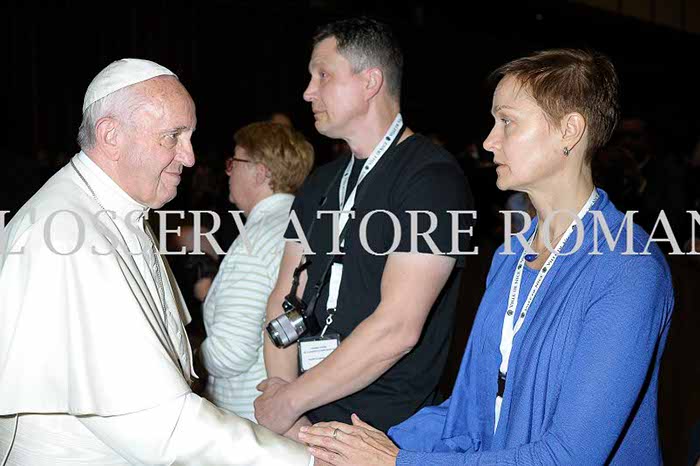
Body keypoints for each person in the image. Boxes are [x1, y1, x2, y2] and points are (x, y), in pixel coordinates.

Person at [299, 49, 674, 465]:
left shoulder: (628, 270)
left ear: (570, 131)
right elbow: (469, 420)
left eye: (508, 122)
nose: (490, 141)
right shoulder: (513, 253)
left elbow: (570, 456)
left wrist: (397, 462)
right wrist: (341, 442)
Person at [0, 58, 314, 465]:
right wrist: (305, 460)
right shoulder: (65, 233)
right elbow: (159, 424)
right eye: (173, 136)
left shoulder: (118, 211)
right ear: (110, 134)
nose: (189, 157)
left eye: (190, 136)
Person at [256, 16, 473, 439]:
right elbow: (282, 298)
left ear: (370, 82)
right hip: (306, 418)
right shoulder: (321, 182)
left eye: (322, 75)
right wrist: (287, 400)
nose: (308, 92)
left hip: (383, 434)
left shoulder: (432, 180)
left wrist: (288, 402)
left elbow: (397, 328)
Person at [199, 121, 314, 421]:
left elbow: (230, 354)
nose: (228, 171)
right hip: (295, 405)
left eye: (233, 162)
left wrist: (189, 358)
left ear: (260, 172)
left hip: (249, 417)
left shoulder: (256, 240)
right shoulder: (303, 223)